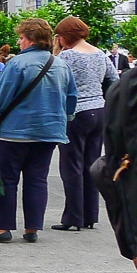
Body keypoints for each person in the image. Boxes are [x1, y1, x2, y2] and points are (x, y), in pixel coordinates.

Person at [0, 18, 77, 243]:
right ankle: (32, 228)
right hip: (49, 132)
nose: (19, 42)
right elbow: (71, 98)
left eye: (21, 38)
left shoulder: (18, 64)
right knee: (37, 180)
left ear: (30, 39)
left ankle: (2, 227)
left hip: (16, 132)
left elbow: (2, 94)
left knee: (7, 179)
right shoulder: (61, 65)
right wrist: (65, 119)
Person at [53, 16, 118, 231]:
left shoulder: (67, 56)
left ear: (64, 36)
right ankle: (91, 215)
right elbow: (113, 80)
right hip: (98, 111)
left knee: (71, 166)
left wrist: (56, 52)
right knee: (91, 164)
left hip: (76, 113)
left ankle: (73, 217)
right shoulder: (100, 54)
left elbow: (55, 78)